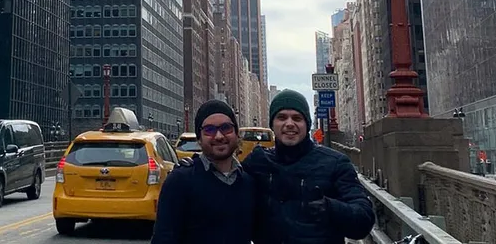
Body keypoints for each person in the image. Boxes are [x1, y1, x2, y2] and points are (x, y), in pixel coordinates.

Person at [244, 89, 375, 243]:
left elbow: (364, 219)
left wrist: (330, 208)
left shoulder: (335, 163)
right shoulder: (257, 162)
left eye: (297, 118)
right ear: (272, 124)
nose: (289, 124)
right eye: (281, 117)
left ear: (307, 124)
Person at [151, 99, 265, 244]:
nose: (219, 136)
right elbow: (164, 238)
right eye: (209, 130)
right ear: (199, 139)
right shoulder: (180, 181)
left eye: (226, 128)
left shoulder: (249, 183)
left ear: (237, 134)